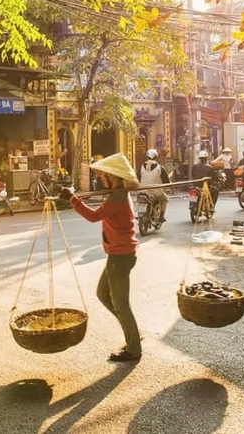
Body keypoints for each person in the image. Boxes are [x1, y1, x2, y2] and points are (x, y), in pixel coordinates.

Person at [59, 153, 142, 362]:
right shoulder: (117, 194)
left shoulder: (118, 197)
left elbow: (93, 216)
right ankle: (132, 332)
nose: (102, 179)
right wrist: (74, 198)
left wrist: (72, 198)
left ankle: (134, 349)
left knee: (121, 304)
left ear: (114, 177)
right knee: (103, 294)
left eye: (105, 176)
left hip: (120, 256)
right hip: (119, 254)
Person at [136, 149, 170, 223]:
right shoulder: (160, 168)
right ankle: (161, 216)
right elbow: (167, 182)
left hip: (142, 191)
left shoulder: (141, 167)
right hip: (156, 192)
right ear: (156, 157)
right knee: (165, 199)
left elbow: (137, 179)